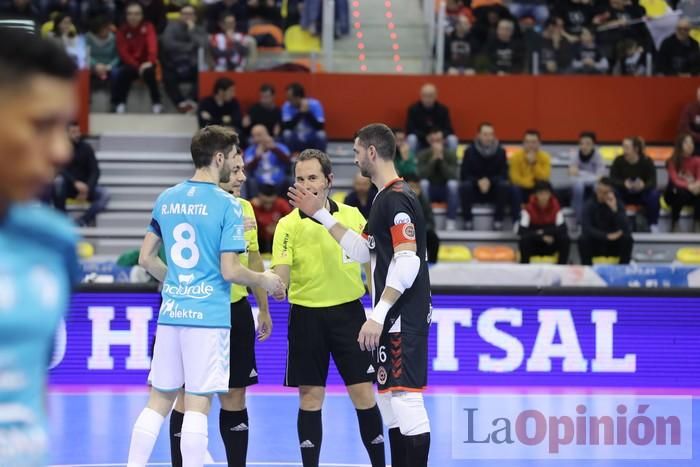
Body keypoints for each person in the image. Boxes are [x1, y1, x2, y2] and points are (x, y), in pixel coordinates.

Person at [126, 126, 284, 467]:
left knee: (158, 403)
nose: (237, 165)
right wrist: (265, 280)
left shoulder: (167, 197)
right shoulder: (228, 205)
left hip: (172, 313)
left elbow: (145, 259)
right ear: (218, 158)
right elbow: (230, 270)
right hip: (208, 316)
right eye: (232, 158)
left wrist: (180, 282)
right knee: (198, 404)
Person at [288, 123, 431, 466]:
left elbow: (408, 261)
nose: (354, 160)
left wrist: (378, 314)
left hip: (400, 319)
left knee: (405, 402)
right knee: (391, 405)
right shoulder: (384, 197)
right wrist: (320, 213)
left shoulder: (396, 198)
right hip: (392, 319)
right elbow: (361, 249)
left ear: (371, 152)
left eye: (355, 153)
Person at [271, 149, 385, 467]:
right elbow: (280, 274)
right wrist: (274, 286)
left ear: (328, 180)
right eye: (300, 179)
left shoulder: (351, 216)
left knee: (364, 394)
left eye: (312, 178)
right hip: (306, 317)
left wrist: (377, 314)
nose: (305, 185)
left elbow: (371, 269)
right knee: (310, 398)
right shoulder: (287, 225)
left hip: (349, 316)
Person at [0, 28, 80, 467]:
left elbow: (31, 394)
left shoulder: (53, 242)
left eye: (65, 128)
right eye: (40, 125)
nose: (61, 151)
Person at [168, 150, 273, 467]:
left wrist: (263, 308)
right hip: (200, 310)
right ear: (219, 166)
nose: (243, 176)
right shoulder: (193, 206)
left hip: (237, 310)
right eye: (237, 169)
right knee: (189, 398)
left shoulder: (244, 208)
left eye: (244, 169)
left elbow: (253, 259)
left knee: (235, 395)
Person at [51, 121, 110, 226]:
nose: (77, 134)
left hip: (86, 188)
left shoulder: (86, 148)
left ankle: (82, 221)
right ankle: (62, 220)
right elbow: (59, 169)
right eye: (73, 132)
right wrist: (75, 183)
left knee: (105, 194)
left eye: (78, 131)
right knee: (58, 182)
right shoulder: (61, 149)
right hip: (68, 187)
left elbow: (95, 171)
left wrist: (88, 188)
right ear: (67, 134)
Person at [460, 122, 510, 230]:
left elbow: (504, 174)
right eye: (485, 134)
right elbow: (464, 174)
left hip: (493, 190)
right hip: (475, 190)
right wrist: (478, 181)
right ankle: (468, 221)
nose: (488, 137)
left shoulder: (501, 152)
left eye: (490, 134)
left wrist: (490, 181)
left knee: (504, 185)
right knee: (465, 186)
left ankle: (498, 221)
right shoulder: (469, 151)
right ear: (478, 135)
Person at [114, 2, 161, 114]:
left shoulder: (148, 27)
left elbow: (152, 47)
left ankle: (157, 103)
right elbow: (123, 53)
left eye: (136, 14)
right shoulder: (122, 30)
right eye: (130, 14)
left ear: (141, 15)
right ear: (126, 16)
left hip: (147, 63)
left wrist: (150, 61)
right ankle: (121, 103)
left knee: (150, 72)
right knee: (123, 72)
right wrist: (137, 66)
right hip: (131, 64)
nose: (133, 17)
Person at [160, 4, 207, 113]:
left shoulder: (199, 29)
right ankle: (180, 103)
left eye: (190, 14)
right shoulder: (171, 27)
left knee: (203, 73)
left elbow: (203, 45)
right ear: (180, 16)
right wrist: (190, 47)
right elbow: (168, 44)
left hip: (193, 65)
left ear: (195, 17)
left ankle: (191, 100)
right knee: (166, 75)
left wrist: (192, 31)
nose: (187, 17)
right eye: (185, 14)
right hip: (176, 64)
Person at [609, 136, 660, 232]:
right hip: (624, 193)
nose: (624, 150)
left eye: (627, 147)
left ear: (636, 149)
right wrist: (623, 183)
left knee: (654, 195)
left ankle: (653, 224)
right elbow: (612, 179)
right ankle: (615, 224)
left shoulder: (647, 161)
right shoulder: (618, 161)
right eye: (623, 147)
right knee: (612, 192)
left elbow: (652, 181)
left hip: (641, 194)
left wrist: (643, 185)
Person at [579, 177, 633, 265]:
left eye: (604, 192)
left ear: (611, 193)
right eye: (599, 191)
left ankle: (623, 268)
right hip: (597, 241)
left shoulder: (617, 204)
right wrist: (606, 236)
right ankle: (588, 268)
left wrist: (615, 210)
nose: (600, 194)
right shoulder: (589, 205)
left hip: (613, 244)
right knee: (583, 239)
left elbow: (627, 228)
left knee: (627, 238)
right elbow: (586, 228)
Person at [416, 128, 460, 231]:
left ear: (443, 141)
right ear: (429, 141)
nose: (436, 144)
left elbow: (453, 176)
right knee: (423, 183)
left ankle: (451, 222)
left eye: (439, 140)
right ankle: (426, 220)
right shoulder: (423, 154)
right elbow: (420, 175)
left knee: (453, 184)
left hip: (445, 190)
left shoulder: (450, 154)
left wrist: (441, 161)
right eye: (434, 141)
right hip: (429, 190)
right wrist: (433, 160)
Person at [517, 181, 570, 264]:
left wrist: (543, 232)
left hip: (550, 243)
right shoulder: (528, 208)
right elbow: (521, 230)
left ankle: (561, 267)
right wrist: (541, 237)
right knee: (524, 240)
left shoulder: (556, 207)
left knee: (564, 239)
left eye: (546, 193)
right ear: (536, 195)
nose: (544, 197)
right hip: (534, 245)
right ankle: (525, 268)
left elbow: (563, 228)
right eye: (541, 193)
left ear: (550, 194)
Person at [509, 130, 551, 222]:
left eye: (533, 142)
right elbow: (514, 178)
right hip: (522, 189)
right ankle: (517, 220)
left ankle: (547, 220)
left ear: (539, 143)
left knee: (547, 188)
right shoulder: (516, 156)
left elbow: (544, 178)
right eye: (527, 142)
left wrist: (534, 164)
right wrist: (530, 181)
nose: (530, 145)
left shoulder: (545, 157)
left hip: (536, 188)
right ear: (523, 143)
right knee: (514, 189)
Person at [405, 83, 458, 152]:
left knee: (452, 139)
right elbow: (410, 129)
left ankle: (451, 160)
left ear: (436, 96)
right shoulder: (413, 109)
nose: (428, 99)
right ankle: (411, 161)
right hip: (421, 141)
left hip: (439, 141)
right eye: (425, 96)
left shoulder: (443, 110)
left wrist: (441, 135)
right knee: (411, 138)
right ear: (421, 96)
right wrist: (425, 137)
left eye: (430, 96)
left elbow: (449, 129)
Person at [664, 133, 700, 232]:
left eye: (691, 142)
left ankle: (697, 224)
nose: (690, 145)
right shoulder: (672, 161)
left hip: (692, 192)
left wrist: (696, 185)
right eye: (686, 142)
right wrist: (689, 186)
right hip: (674, 193)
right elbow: (675, 180)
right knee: (680, 192)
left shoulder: (697, 160)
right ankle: (675, 222)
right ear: (680, 145)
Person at [569, 131, 606, 226]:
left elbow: (600, 176)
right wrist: (589, 175)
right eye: (582, 143)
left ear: (593, 145)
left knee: (597, 187)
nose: (584, 146)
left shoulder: (598, 156)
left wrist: (581, 173)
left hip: (593, 182)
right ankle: (578, 218)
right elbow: (572, 172)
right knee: (578, 187)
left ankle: (597, 216)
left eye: (588, 143)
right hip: (580, 183)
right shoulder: (575, 155)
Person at [243, 124, 292, 197]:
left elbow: (289, 162)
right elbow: (247, 167)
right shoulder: (250, 150)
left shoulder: (279, 147)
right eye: (254, 136)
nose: (256, 138)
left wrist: (274, 149)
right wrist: (257, 157)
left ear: (267, 134)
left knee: (289, 180)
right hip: (259, 184)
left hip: (279, 183)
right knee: (250, 182)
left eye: (259, 135)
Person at [282, 82, 327, 153]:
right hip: (296, 139)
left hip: (311, 138)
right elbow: (287, 126)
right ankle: (290, 157)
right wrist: (301, 113)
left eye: (290, 99)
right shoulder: (287, 106)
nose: (289, 101)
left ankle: (320, 157)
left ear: (298, 97)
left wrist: (307, 113)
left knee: (321, 134)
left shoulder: (315, 104)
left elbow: (320, 126)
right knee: (286, 133)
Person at [405, 173, 440, 264]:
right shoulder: (399, 200)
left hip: (421, 231)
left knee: (433, 238)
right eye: (411, 186)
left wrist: (421, 230)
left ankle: (431, 264)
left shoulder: (424, 200)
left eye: (417, 187)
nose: (414, 190)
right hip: (404, 232)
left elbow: (430, 221)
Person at [251, 183, 292, 253]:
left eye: (271, 203)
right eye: (265, 203)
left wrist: (278, 227)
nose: (268, 206)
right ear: (259, 197)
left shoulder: (282, 204)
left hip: (279, 239)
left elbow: (292, 222)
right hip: (258, 239)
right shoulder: (252, 206)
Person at [678, 86, 700, 150]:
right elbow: (683, 128)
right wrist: (698, 137)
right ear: (697, 97)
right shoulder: (689, 109)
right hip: (694, 142)